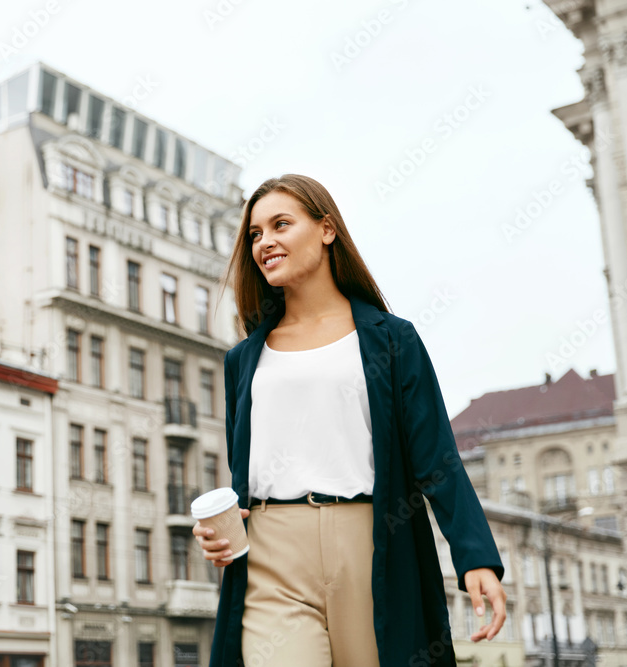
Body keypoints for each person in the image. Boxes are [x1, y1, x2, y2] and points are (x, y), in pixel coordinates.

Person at [194, 174, 507, 667]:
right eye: (255, 234)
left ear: (326, 229)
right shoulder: (243, 360)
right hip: (272, 559)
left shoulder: (392, 340)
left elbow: (436, 458)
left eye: (280, 224)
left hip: (373, 549)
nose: (265, 242)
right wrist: (221, 528)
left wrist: (476, 557)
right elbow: (246, 474)